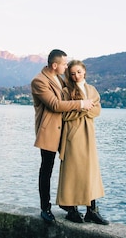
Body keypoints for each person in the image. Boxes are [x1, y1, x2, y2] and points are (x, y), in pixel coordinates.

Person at [32, 49, 94, 224]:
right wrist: (82, 104)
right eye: (65, 64)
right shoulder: (39, 81)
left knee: (75, 167)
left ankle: (75, 207)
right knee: (47, 169)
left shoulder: (60, 79)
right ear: (55, 65)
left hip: (66, 131)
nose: (66, 67)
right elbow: (55, 104)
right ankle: (45, 208)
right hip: (50, 132)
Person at [56, 60, 109, 225]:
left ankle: (91, 211)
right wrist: (82, 108)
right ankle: (72, 210)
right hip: (73, 136)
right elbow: (65, 115)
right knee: (73, 172)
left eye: (78, 72)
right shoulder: (66, 92)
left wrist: (82, 108)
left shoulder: (92, 90)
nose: (76, 76)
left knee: (90, 172)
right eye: (72, 73)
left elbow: (97, 110)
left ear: (84, 72)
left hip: (89, 136)